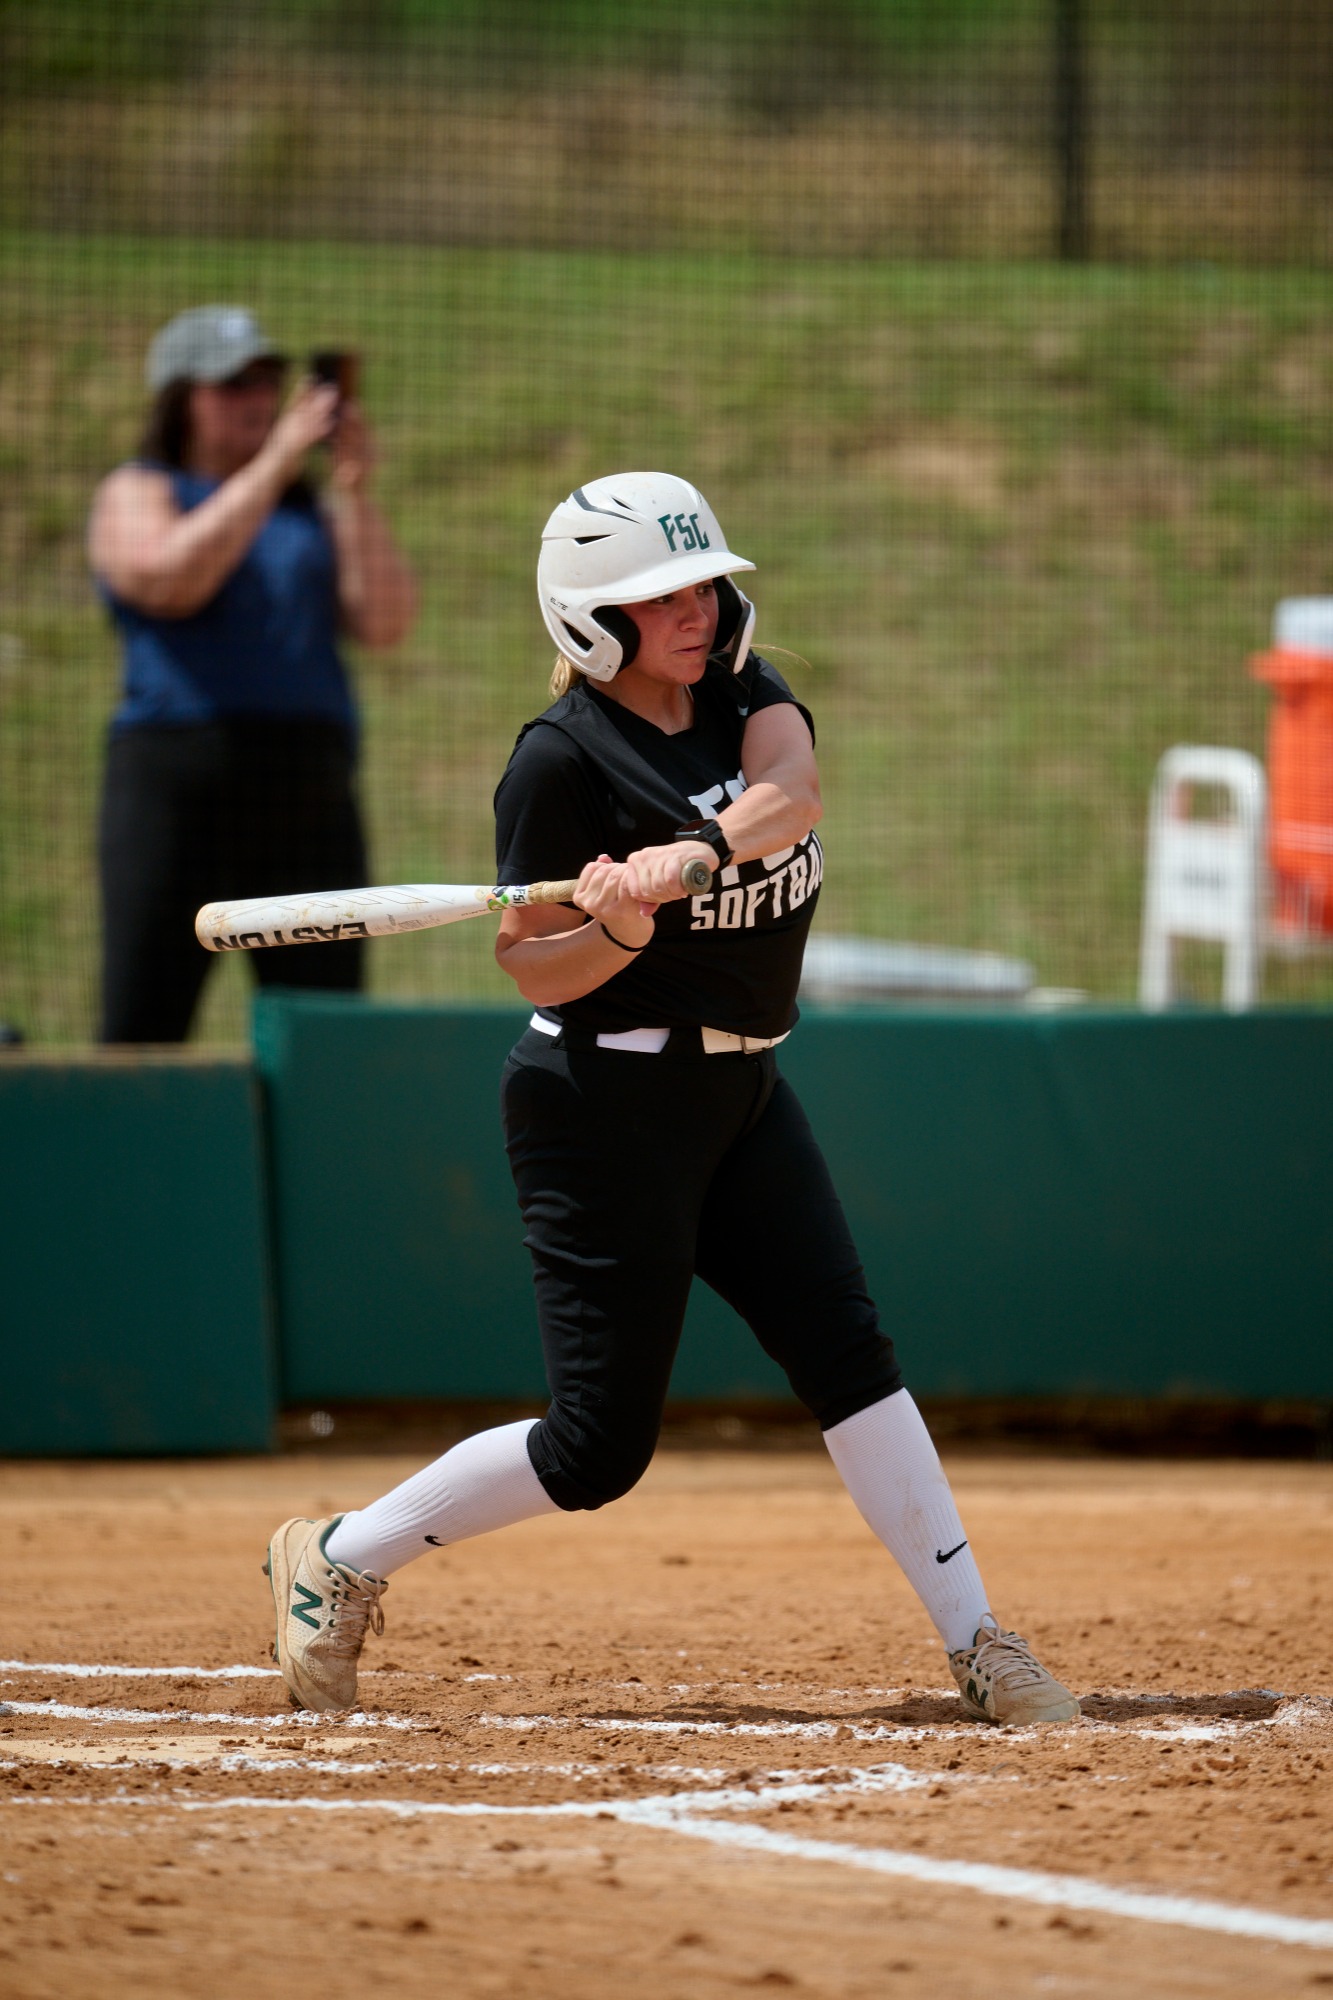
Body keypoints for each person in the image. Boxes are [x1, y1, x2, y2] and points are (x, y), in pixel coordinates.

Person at [263, 472, 1078, 1729]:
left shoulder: (746, 696)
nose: (696, 606)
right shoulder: (555, 763)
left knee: (849, 1356)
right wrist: (620, 929)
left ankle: (979, 1638)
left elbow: (791, 791)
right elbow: (531, 959)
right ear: (593, 616)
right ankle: (341, 1555)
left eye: (702, 581)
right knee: (598, 1448)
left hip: (742, 1086)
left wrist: (694, 853)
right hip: (602, 1106)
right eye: (660, 593)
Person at [88, 305, 417, 1043]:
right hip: (175, 787)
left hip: (307, 791)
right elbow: (164, 577)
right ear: (180, 397)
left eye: (267, 379)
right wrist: (276, 464)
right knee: (144, 1025)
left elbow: (387, 622)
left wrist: (353, 490)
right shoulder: (140, 489)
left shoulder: (307, 512)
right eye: (231, 382)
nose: (257, 399)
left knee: (326, 1034)